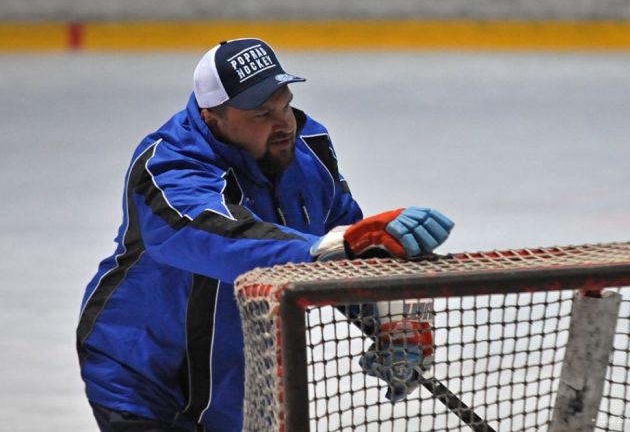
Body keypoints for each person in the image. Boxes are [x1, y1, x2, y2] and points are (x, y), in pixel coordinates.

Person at [77, 38, 454, 432]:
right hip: (144, 377)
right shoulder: (169, 166)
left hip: (237, 383)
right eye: (261, 114)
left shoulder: (309, 148)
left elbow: (347, 244)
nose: (284, 123)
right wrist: (327, 247)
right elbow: (215, 237)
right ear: (212, 119)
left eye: (285, 104)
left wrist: (391, 323)